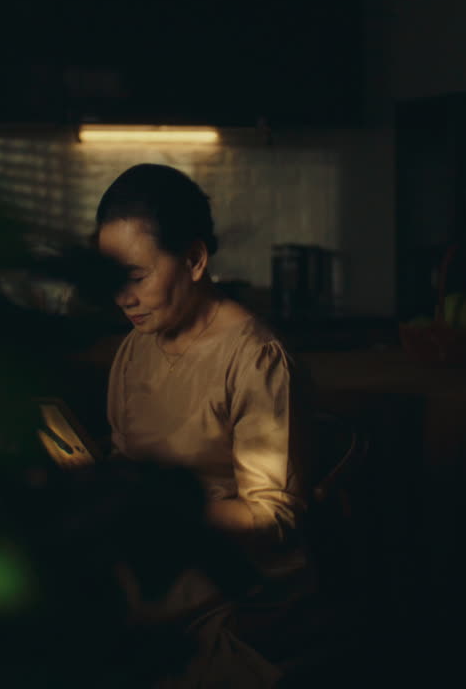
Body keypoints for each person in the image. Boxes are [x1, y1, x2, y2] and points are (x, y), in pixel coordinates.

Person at [95, 163, 317, 687]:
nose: (122, 298)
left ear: (195, 260)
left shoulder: (256, 357)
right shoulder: (135, 348)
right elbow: (125, 459)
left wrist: (171, 514)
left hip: (235, 576)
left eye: (137, 276)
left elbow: (275, 515)